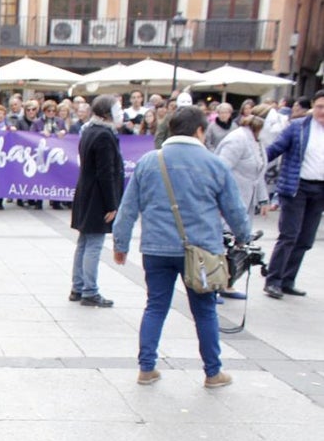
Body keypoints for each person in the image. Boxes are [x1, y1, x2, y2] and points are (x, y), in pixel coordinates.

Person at [113, 106, 251, 388]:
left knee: (155, 306)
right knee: (205, 311)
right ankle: (213, 372)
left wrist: (121, 243)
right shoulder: (214, 164)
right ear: (200, 130)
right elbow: (235, 210)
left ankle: (146, 368)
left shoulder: (150, 161)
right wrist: (244, 236)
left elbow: (128, 208)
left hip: (156, 248)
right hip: (201, 251)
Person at [262, 90, 324, 299]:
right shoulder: (298, 127)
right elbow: (275, 149)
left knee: (306, 238)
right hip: (296, 187)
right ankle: (273, 280)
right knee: (289, 235)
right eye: (319, 107)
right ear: (312, 107)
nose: (322, 112)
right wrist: (258, 165)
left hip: (320, 190)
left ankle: (288, 280)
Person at [69, 95, 124, 307]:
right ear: (106, 113)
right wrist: (112, 203)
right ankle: (89, 290)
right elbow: (106, 172)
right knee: (93, 243)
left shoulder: (90, 131)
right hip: (97, 197)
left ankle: (79, 286)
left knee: (84, 242)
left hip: (87, 192)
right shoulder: (103, 135)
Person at [215, 107, 271, 300]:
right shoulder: (237, 139)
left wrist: (263, 199)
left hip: (246, 200)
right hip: (229, 200)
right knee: (222, 242)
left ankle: (227, 283)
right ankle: (213, 285)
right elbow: (220, 169)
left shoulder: (257, 141)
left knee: (239, 244)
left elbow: (259, 173)